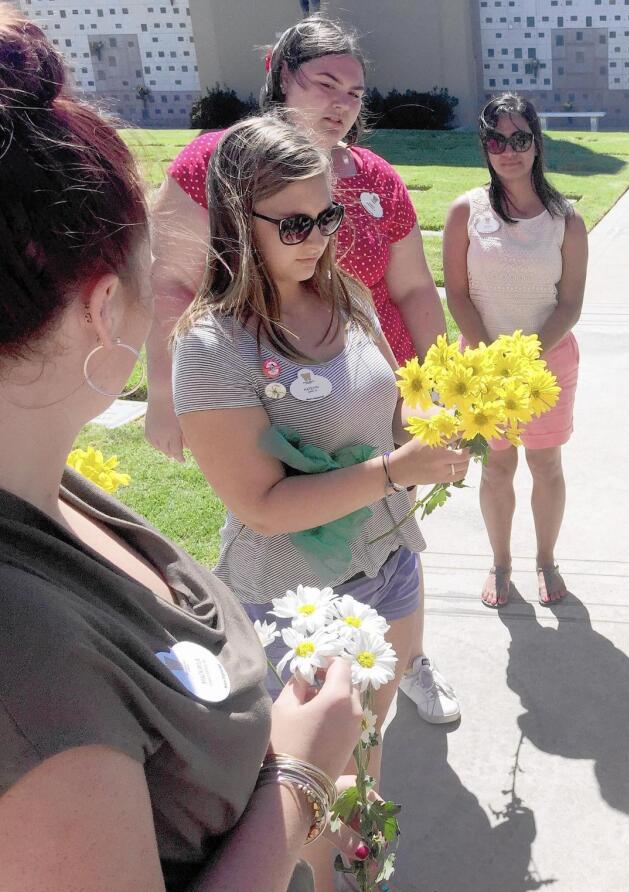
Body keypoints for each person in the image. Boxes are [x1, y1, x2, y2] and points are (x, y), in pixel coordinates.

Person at [0, 10, 363, 892]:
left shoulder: (53, 494)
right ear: (97, 307)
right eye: (152, 262)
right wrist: (302, 777)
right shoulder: (26, 665)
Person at [151, 16, 460, 726]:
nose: (321, 241)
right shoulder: (214, 344)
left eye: (327, 219)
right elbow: (262, 506)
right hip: (295, 590)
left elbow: (398, 389)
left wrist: (446, 421)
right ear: (234, 218)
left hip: (387, 562)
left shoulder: (347, 294)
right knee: (315, 772)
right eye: (295, 224)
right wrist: (396, 469)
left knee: (370, 742)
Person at [442, 94, 587, 609]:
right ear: (485, 146)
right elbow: (456, 292)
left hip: (547, 367)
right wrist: (488, 358)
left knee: (546, 467)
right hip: (480, 367)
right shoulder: (466, 211)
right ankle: (500, 563)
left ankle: (546, 559)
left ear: (536, 143)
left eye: (520, 138)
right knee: (496, 468)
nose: (509, 150)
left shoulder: (565, 219)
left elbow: (569, 304)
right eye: (497, 139)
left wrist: (523, 359)